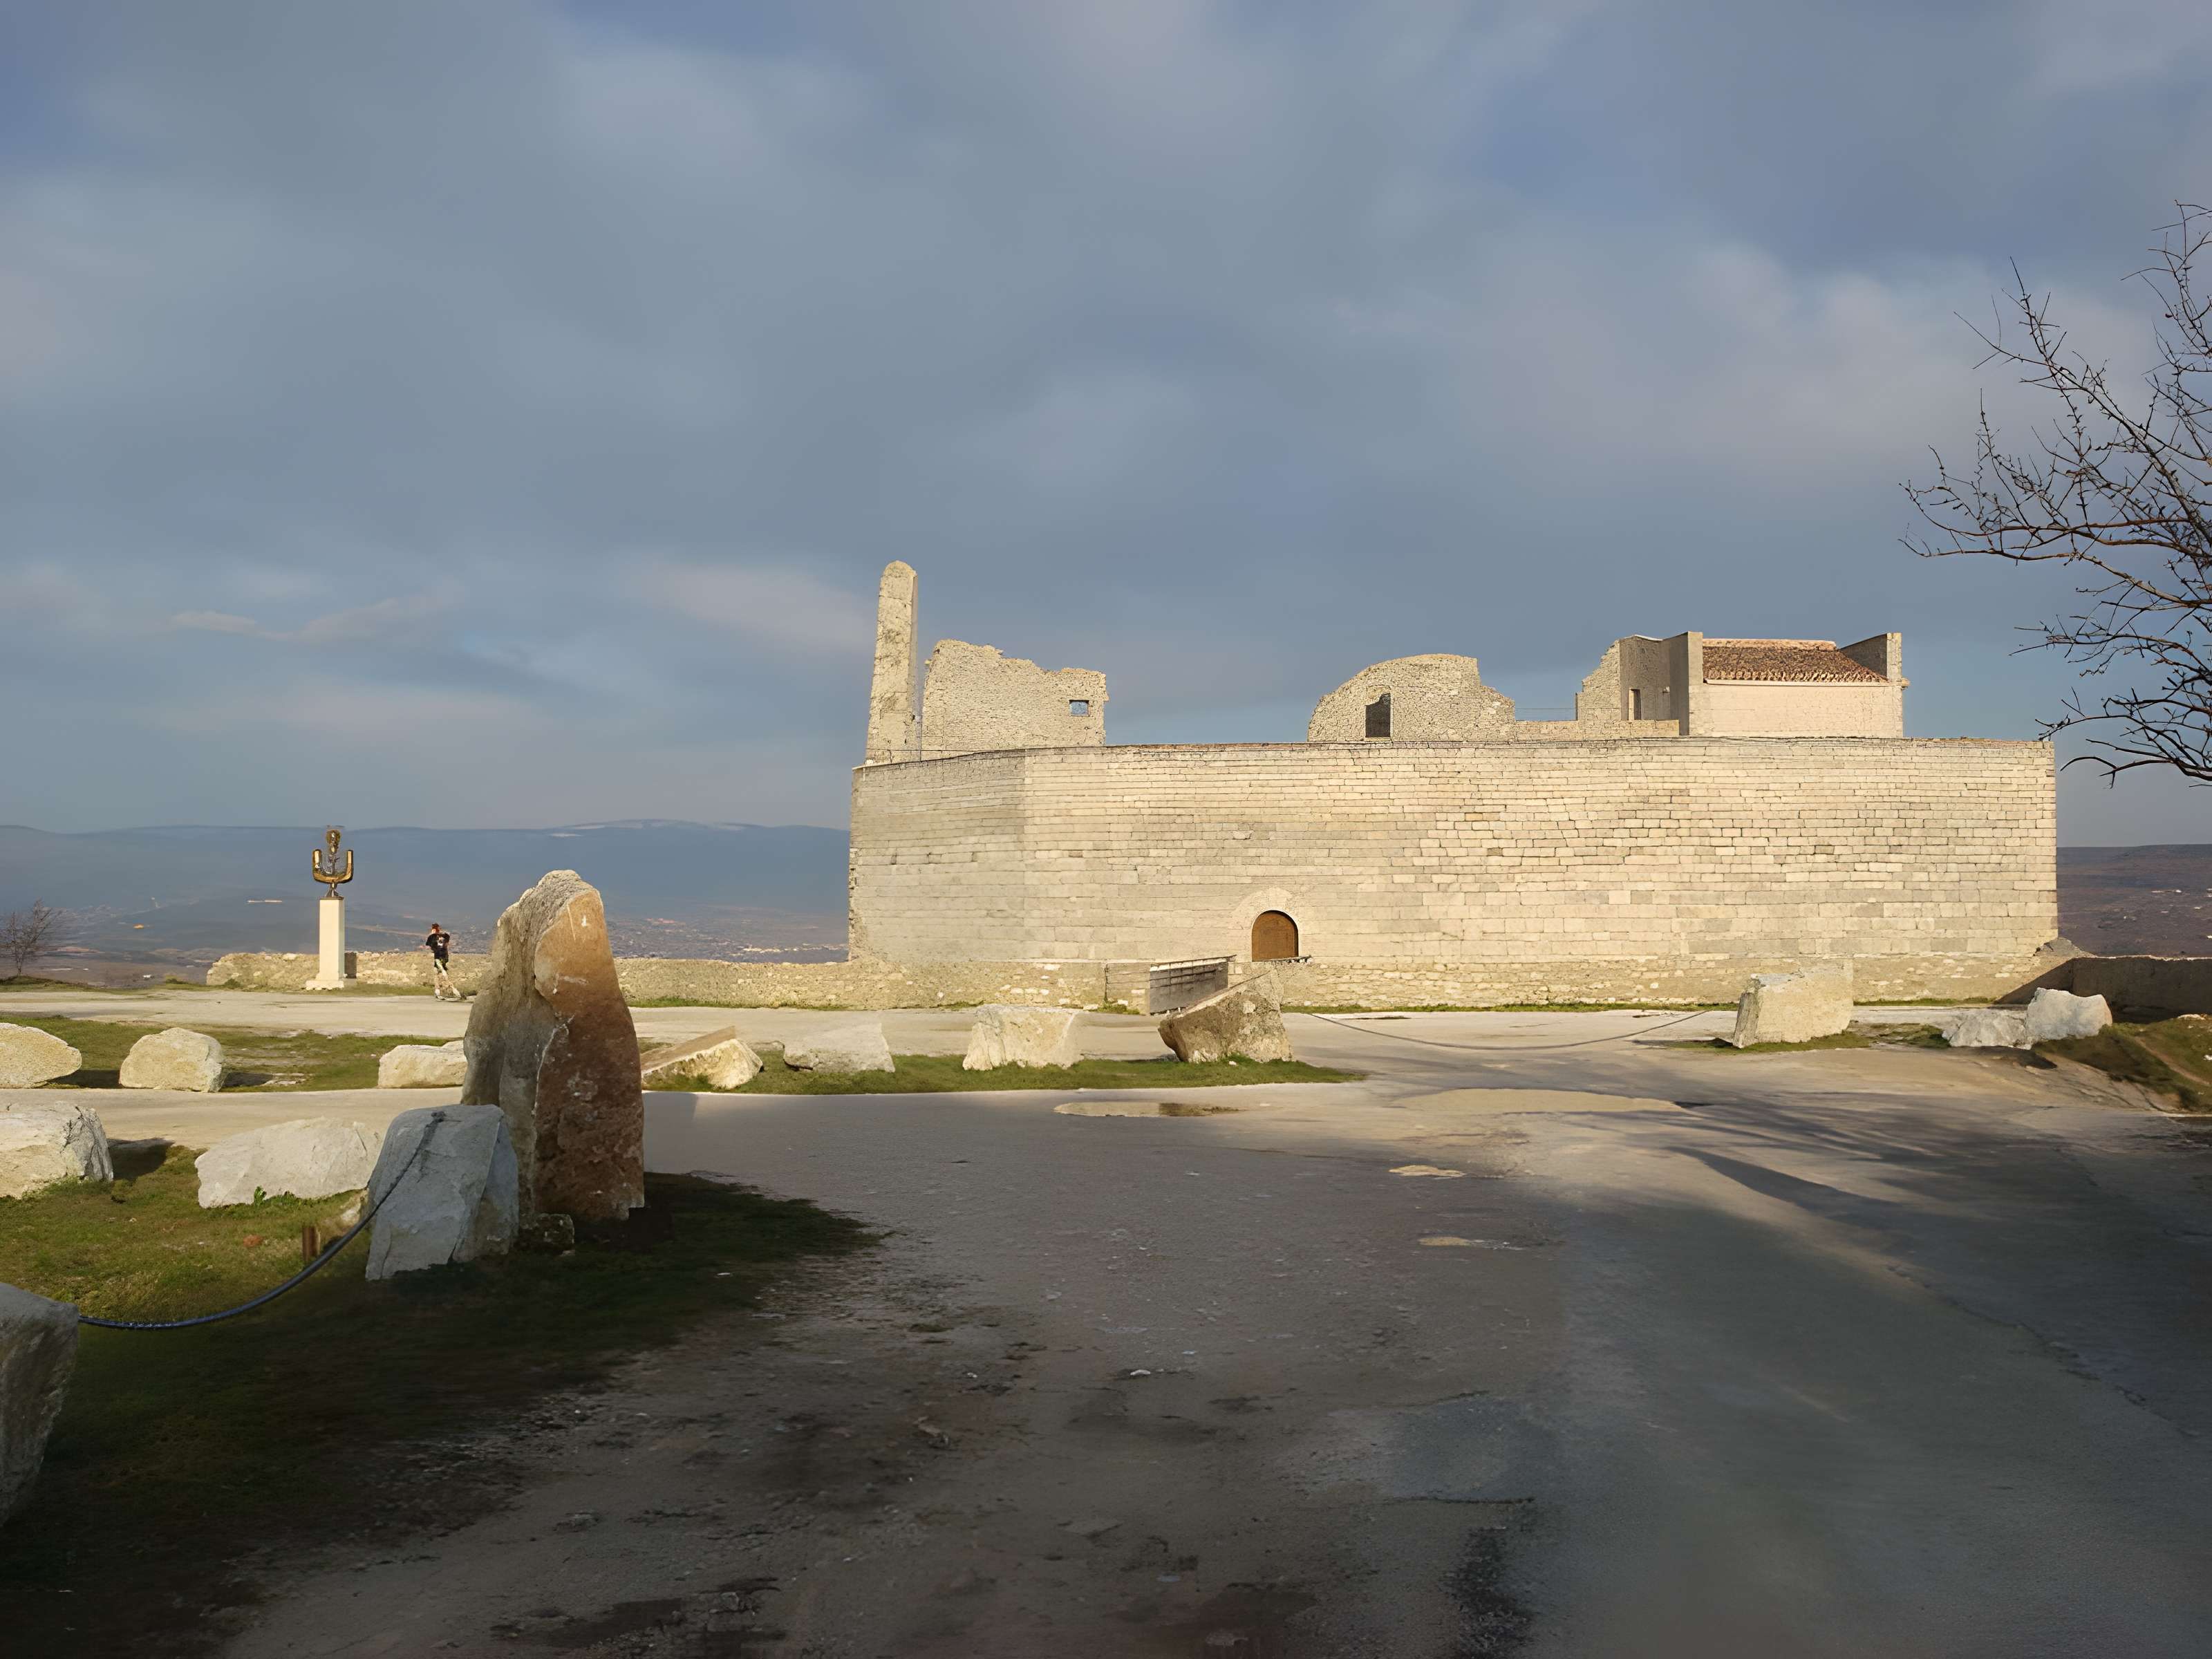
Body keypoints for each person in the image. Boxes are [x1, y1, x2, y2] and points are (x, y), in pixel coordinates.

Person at [424, 922, 460, 1000]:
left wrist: (433, 935)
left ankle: (453, 990)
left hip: (438, 957)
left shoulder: (432, 937)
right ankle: (440, 990)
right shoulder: (446, 936)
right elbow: (446, 942)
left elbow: (428, 945)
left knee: (441, 973)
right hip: (445, 957)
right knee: (438, 971)